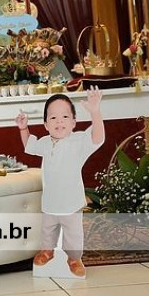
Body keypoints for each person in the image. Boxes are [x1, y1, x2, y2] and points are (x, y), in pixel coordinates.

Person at [16, 87, 104, 277]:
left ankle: (74, 259)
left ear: (73, 122)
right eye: (53, 117)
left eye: (65, 117)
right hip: (50, 201)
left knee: (73, 233)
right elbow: (29, 145)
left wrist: (95, 112)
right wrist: (23, 128)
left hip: (71, 201)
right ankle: (47, 251)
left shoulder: (79, 142)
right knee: (47, 229)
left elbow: (97, 138)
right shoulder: (45, 142)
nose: (59, 121)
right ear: (46, 124)